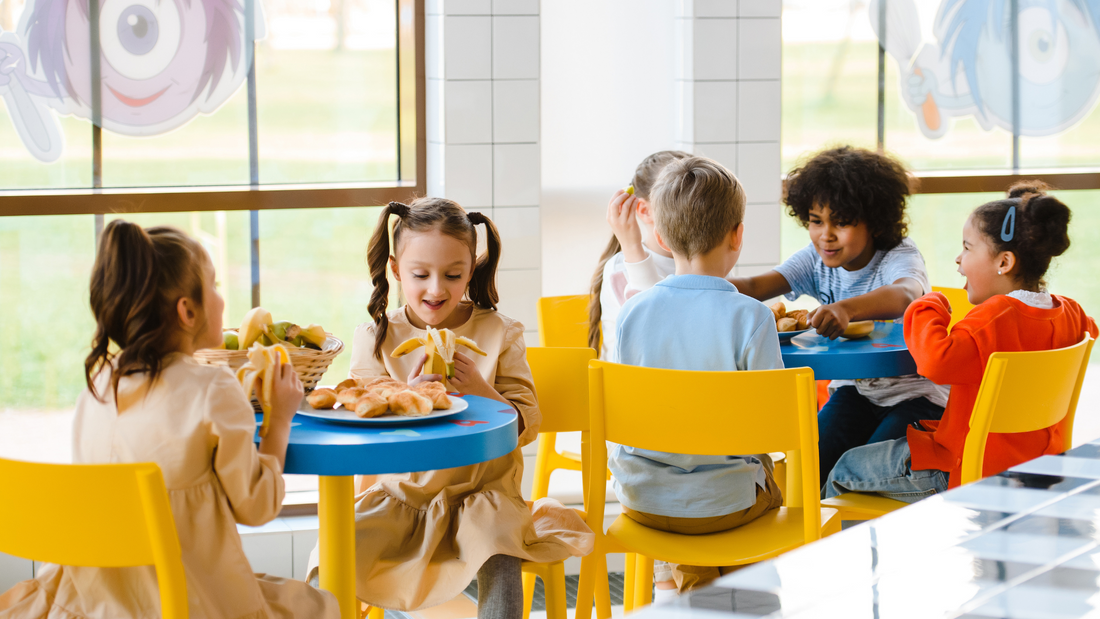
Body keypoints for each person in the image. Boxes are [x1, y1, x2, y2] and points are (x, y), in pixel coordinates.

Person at [0, 221, 338, 619]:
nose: (221, 298)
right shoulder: (214, 388)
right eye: (213, 286)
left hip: (90, 603)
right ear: (187, 311)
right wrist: (278, 420)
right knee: (321, 605)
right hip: (187, 601)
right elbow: (257, 507)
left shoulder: (97, 387)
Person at [306, 199, 592, 617]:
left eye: (453, 275)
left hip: (483, 497)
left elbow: (527, 422)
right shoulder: (375, 337)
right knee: (328, 559)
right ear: (396, 269)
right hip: (402, 497)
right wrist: (404, 398)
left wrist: (480, 390)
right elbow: (361, 425)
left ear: (470, 271)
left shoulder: (500, 332)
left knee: (500, 556)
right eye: (421, 275)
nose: (437, 289)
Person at [823, 182, 1098, 500]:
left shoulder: (992, 319)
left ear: (1004, 263)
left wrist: (927, 304)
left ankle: (829, 550)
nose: (958, 258)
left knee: (845, 468)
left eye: (967, 248)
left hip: (965, 467)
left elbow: (936, 362)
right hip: (1036, 463)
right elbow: (1090, 330)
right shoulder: (1073, 313)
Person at [612, 157, 784, 597]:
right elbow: (777, 430)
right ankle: (738, 599)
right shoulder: (753, 318)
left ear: (664, 238)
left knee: (702, 480)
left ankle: (690, 589)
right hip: (726, 506)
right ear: (737, 234)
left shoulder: (633, 313)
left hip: (643, 499)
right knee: (759, 479)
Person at [728, 146, 945, 485]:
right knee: (809, 468)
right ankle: (815, 536)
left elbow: (906, 294)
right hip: (854, 392)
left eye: (841, 223)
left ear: (874, 222)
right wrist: (698, 283)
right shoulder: (815, 259)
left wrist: (847, 308)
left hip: (916, 398)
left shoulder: (898, 255)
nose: (825, 235)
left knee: (864, 474)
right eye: (816, 221)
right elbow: (756, 285)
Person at [590, 150, 690, 359]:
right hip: (631, 386)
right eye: (677, 197)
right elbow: (658, 330)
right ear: (645, 211)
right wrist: (631, 246)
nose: (694, 207)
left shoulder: (708, 260)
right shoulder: (620, 268)